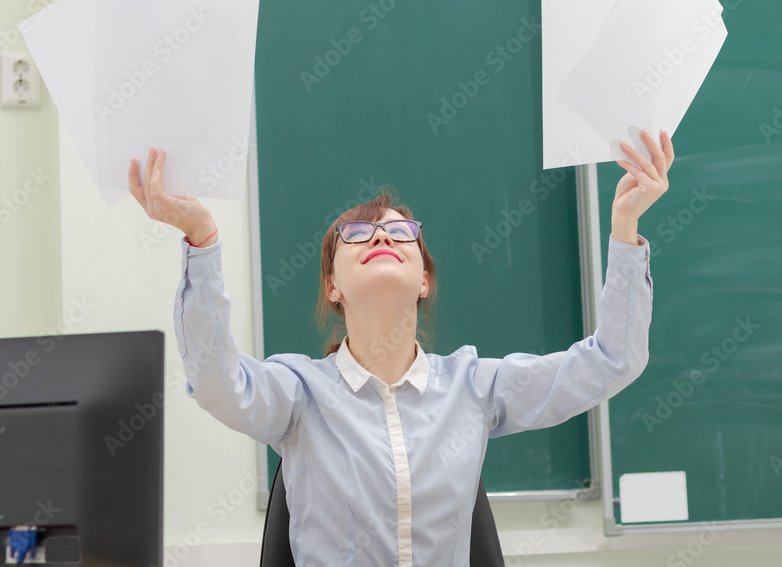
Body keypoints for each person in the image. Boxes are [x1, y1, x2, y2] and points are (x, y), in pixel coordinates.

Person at [128, 131, 673, 566]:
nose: (384, 237)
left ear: (423, 281)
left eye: (402, 233)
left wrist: (625, 227)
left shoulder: (474, 387)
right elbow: (218, 382)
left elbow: (613, 360)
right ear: (332, 287)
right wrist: (201, 240)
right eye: (359, 235)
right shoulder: (297, 395)